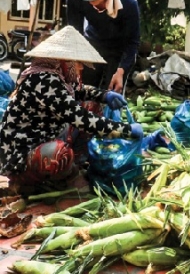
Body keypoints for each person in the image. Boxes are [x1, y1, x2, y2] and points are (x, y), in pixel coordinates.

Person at [0, 26, 143, 195]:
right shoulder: (44, 80)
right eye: (77, 63)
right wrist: (127, 131)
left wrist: (105, 96)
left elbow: (79, 89)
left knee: (92, 105)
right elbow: (81, 118)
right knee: (59, 154)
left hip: (43, 135)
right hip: (20, 155)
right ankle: (33, 181)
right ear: (63, 60)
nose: (80, 68)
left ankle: (73, 165)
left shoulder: (54, 74)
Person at [66, 0, 140, 93]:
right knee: (84, 91)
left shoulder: (129, 3)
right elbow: (75, 33)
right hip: (91, 46)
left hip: (119, 51)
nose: (90, 0)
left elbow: (132, 42)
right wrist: (76, 60)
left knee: (111, 93)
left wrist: (121, 71)